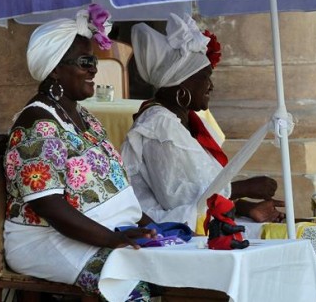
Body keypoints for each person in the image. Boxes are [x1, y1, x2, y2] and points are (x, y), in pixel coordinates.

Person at [3, 4, 159, 300]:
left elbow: (114, 185)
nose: (94, 69)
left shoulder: (85, 117)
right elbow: (49, 205)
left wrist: (154, 230)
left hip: (92, 234)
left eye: (93, 61)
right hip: (45, 240)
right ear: (55, 70)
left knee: (167, 267)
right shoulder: (37, 124)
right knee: (133, 286)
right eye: (85, 61)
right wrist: (113, 240)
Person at [121, 13, 285, 233]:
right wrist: (242, 188)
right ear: (181, 87)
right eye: (205, 77)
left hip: (194, 223)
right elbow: (177, 198)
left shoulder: (181, 124)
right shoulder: (159, 126)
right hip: (166, 232)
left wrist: (244, 207)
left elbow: (199, 190)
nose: (211, 86)